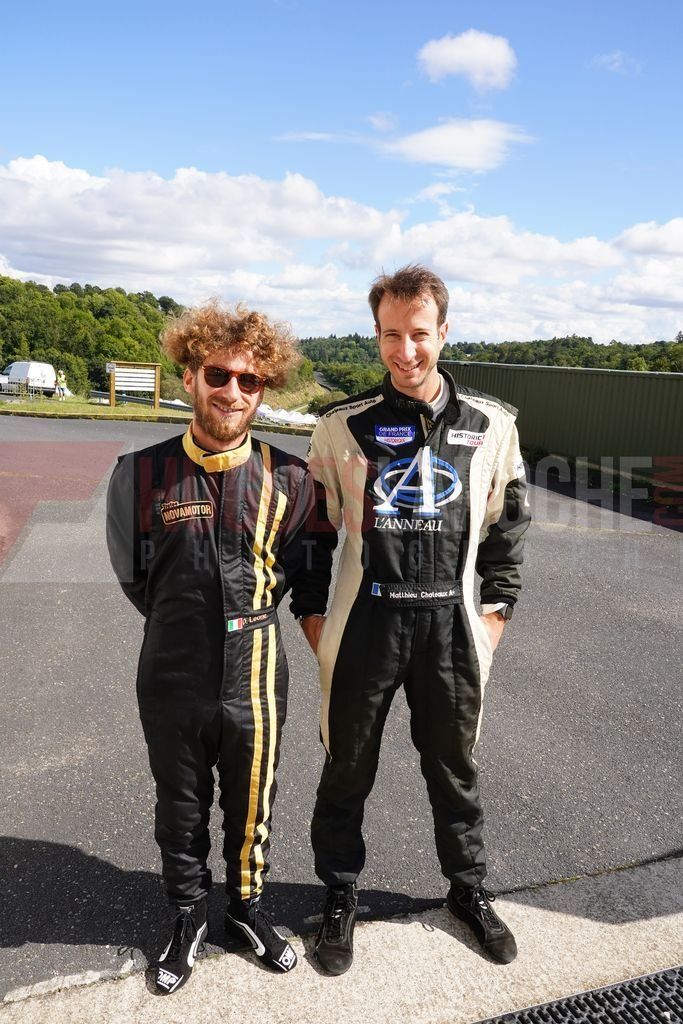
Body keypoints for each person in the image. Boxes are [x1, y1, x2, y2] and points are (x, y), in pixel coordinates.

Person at [293, 264, 531, 974]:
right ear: (376, 335)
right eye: (391, 335)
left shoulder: (492, 425)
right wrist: (312, 615)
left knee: (454, 769)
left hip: (450, 628)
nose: (406, 351)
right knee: (347, 767)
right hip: (366, 623)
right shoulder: (343, 426)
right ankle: (339, 893)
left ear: (444, 332)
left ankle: (467, 890)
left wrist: (496, 611)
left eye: (419, 334)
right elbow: (312, 532)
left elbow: (508, 526)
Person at [106, 302, 328, 995]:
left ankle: (246, 909)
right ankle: (186, 916)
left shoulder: (293, 480)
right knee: (180, 804)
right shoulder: (139, 472)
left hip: (256, 670)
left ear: (265, 387)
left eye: (249, 379)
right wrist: (190, 621)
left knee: (253, 802)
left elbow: (307, 578)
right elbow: (136, 577)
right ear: (189, 375)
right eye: (218, 374)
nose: (232, 391)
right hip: (171, 668)